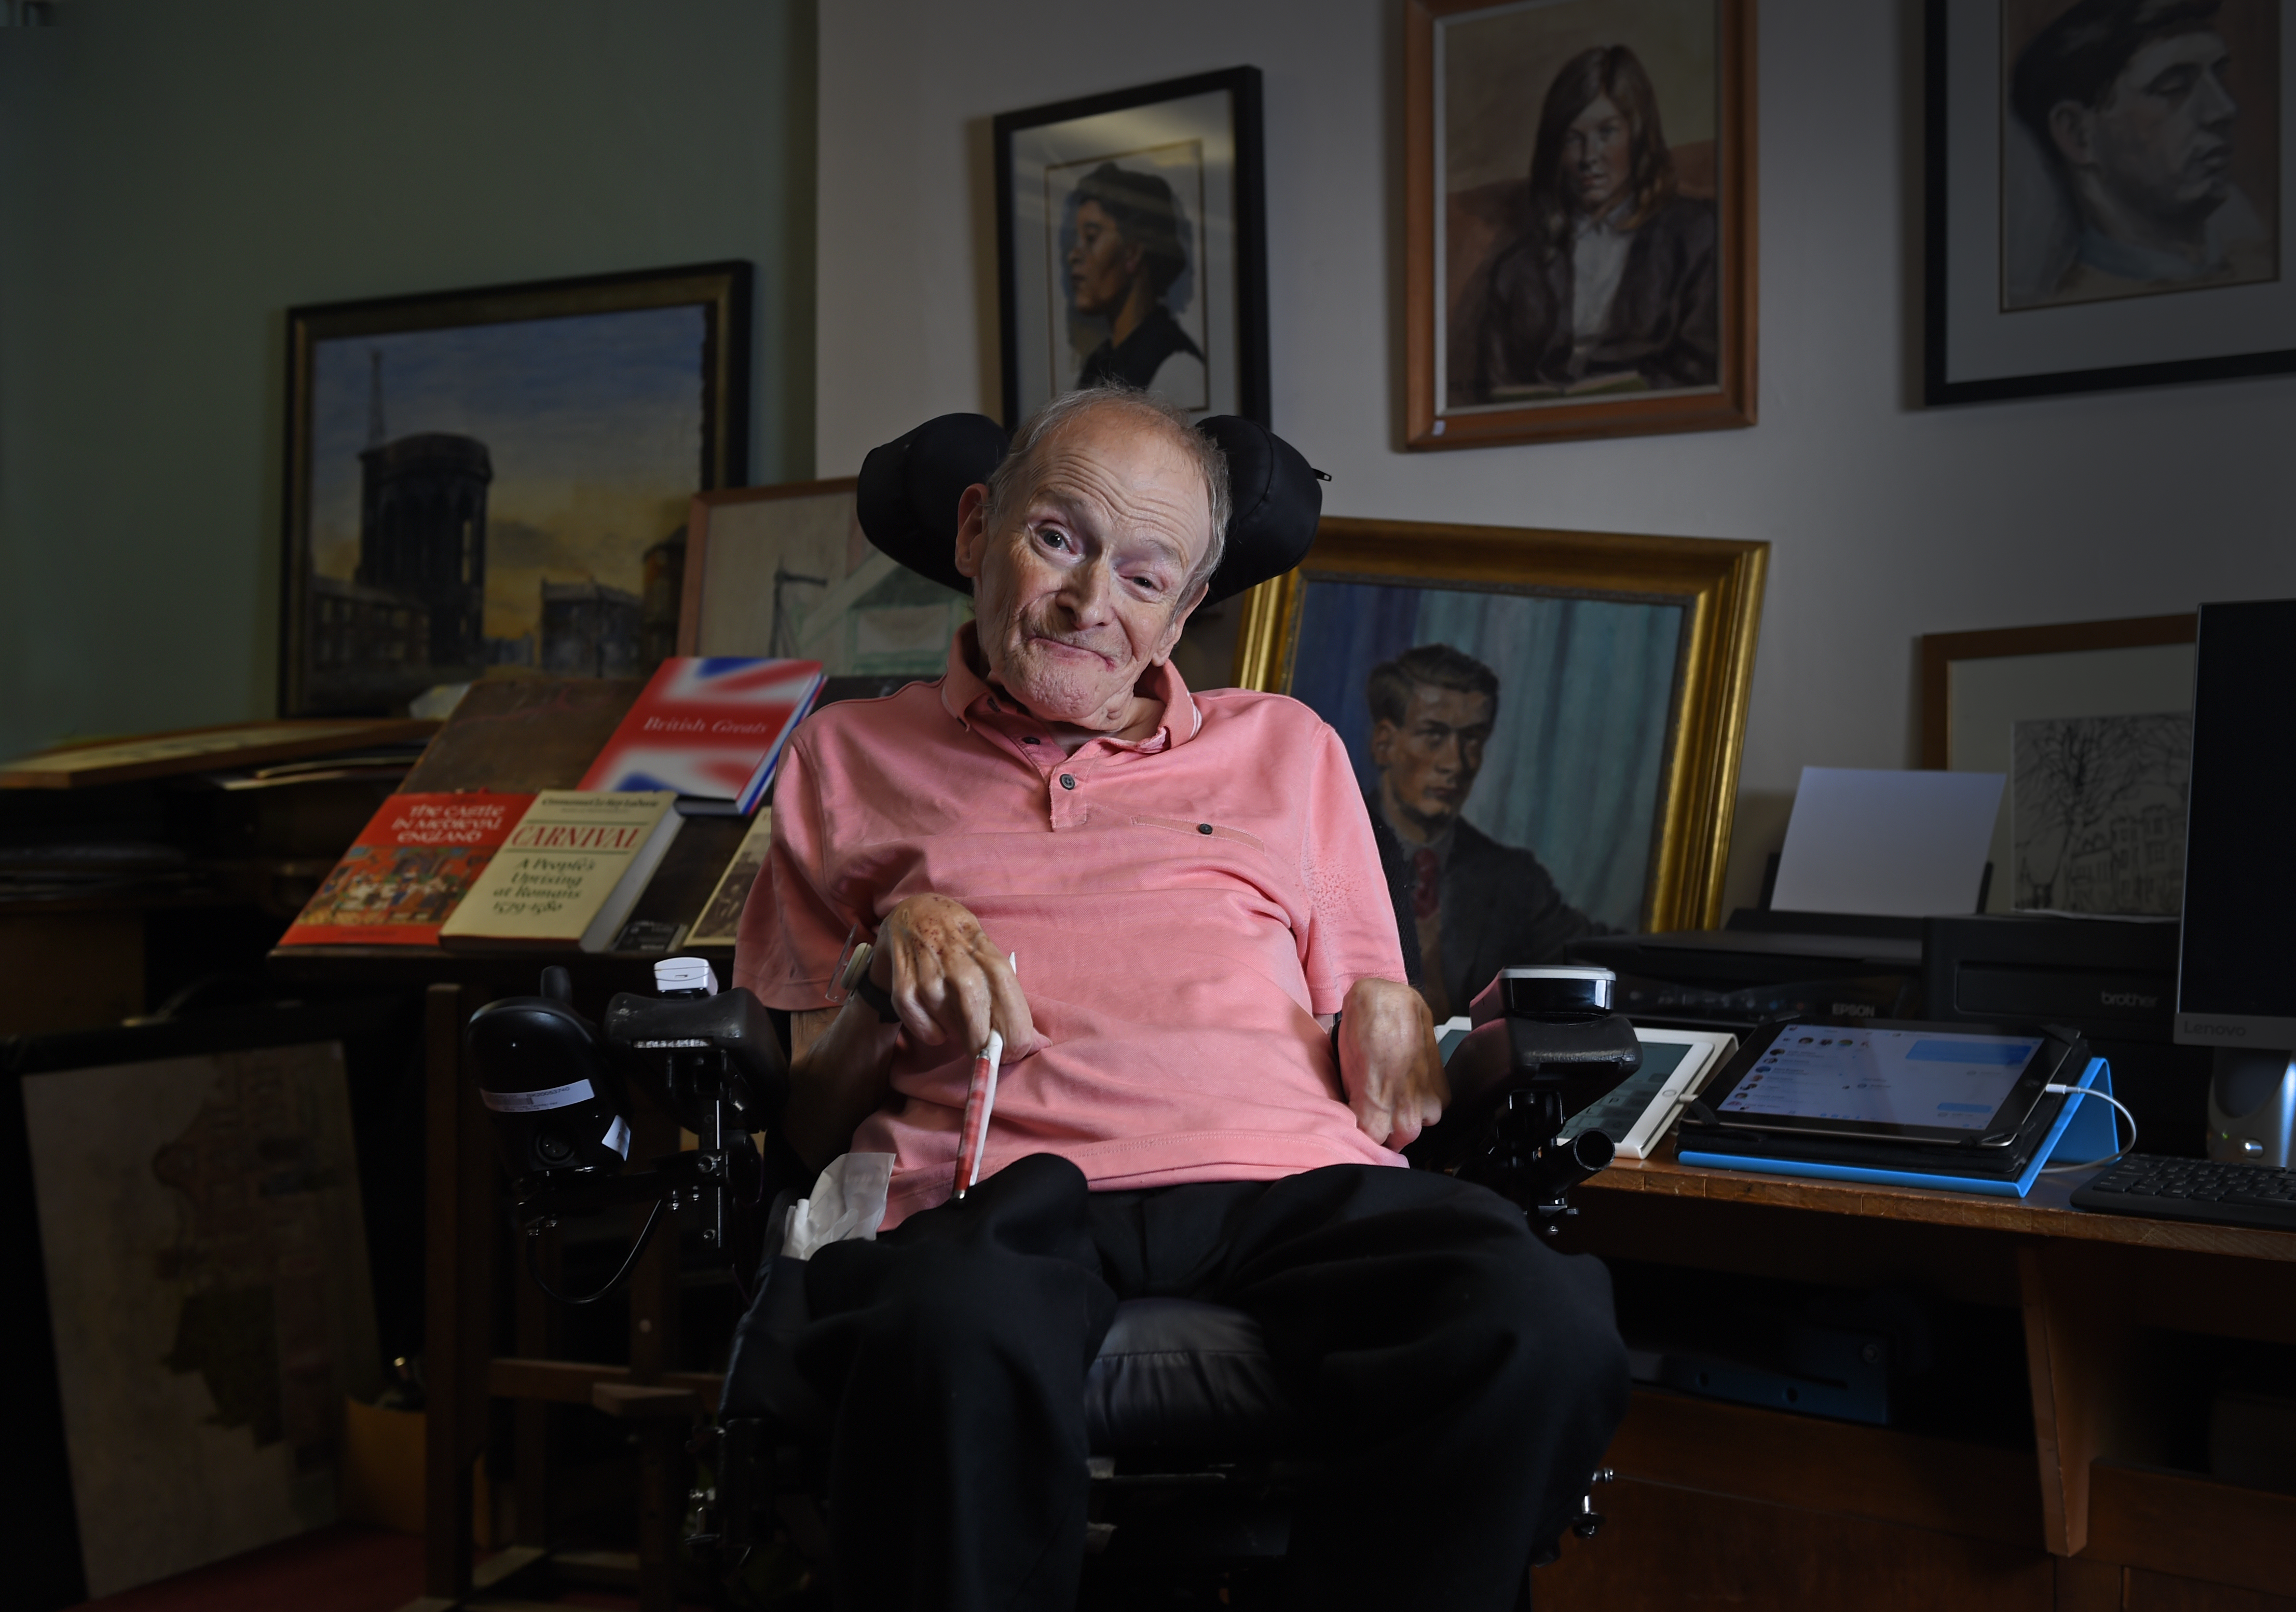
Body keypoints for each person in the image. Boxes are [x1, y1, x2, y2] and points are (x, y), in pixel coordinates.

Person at [733, 385, 1627, 1611]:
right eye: (1058, 538)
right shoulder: (847, 752)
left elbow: (1378, 1004)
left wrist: (1402, 1011)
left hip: (1289, 1177)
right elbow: (802, 1124)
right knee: (941, 1333)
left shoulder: (1289, 747)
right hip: (1001, 1184)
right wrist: (880, 975)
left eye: (1146, 575)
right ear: (977, 529)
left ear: (1187, 607)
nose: (1092, 603)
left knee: (1542, 1318)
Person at [1363, 644, 1609, 1022]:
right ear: (1385, 743)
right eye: (1433, 735)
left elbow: (1608, 962)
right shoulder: (1319, 853)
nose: (1455, 763)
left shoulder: (1514, 881)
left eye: (1472, 740)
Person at [1460, 44, 1718, 402]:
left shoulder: (1697, 234)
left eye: (1607, 132)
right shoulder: (1517, 268)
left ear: (1639, 134)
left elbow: (1703, 368)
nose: (1588, 158)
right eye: (1572, 139)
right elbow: (1493, 389)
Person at [2010, 0, 2268, 304]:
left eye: (2219, 77)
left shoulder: (2264, 262)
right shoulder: (2071, 307)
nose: (2224, 109)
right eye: (2173, 88)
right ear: (2078, 135)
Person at [1065, 162, 1208, 404]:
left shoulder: (1176, 361)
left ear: (1132, 253)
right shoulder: (1099, 363)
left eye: (1091, 238)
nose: (1074, 255)